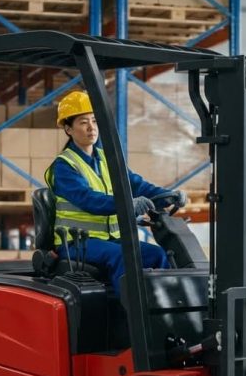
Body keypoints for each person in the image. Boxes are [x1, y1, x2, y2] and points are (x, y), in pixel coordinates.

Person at [44, 90, 187, 292]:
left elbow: (137, 184)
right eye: (83, 122)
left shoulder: (106, 160)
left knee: (158, 254)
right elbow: (88, 200)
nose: (91, 128)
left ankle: (162, 315)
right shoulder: (64, 166)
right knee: (122, 257)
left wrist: (170, 196)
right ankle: (131, 318)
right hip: (77, 242)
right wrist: (128, 205)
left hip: (111, 239)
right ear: (68, 128)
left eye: (94, 121)